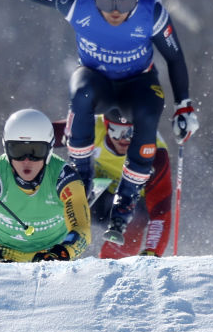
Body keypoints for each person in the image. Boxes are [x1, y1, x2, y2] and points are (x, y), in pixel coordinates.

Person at [0, 0, 198, 244]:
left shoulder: (152, 11)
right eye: (106, 4)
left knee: (149, 112)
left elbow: (174, 58)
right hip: (96, 79)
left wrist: (183, 106)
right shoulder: (76, 0)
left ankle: (125, 202)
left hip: (137, 83)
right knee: (81, 93)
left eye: (125, 5)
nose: (115, 13)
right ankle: (82, 176)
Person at [0, 109, 91, 262]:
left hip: (52, 255)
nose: (26, 160)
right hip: (4, 255)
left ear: (50, 150)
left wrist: (60, 254)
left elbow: (82, 229)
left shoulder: (65, 178)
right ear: (6, 149)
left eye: (36, 151)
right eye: (18, 150)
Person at [53, 108, 173, 258]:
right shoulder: (91, 127)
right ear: (106, 125)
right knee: (67, 184)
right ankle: (47, 245)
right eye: (116, 131)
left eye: (130, 133)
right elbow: (44, 134)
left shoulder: (155, 153)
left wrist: (153, 252)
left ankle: (112, 266)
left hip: (133, 202)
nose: (123, 139)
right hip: (97, 191)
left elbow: (160, 212)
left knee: (134, 222)